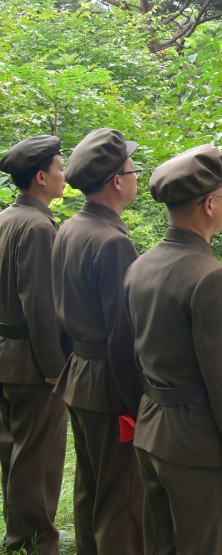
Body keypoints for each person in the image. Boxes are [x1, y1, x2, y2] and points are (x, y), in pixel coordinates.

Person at [123, 144, 222, 555]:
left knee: (162, 545)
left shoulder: (141, 264)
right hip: (197, 442)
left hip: (152, 430)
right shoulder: (211, 276)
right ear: (208, 205)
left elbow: (133, 350)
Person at [53, 128, 144, 554]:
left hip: (80, 377)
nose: (136, 177)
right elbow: (124, 337)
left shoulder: (71, 227)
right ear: (115, 181)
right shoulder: (112, 242)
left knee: (90, 488)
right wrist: (137, 403)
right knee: (121, 500)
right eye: (132, 169)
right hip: (110, 385)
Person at [0, 135, 67, 555]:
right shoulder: (38, 226)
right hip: (31, 361)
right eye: (60, 168)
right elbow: (40, 304)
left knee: (14, 454)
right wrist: (53, 366)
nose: (64, 175)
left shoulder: (6, 218)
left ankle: (18, 536)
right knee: (37, 459)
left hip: (6, 354)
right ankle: (34, 542)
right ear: (41, 177)